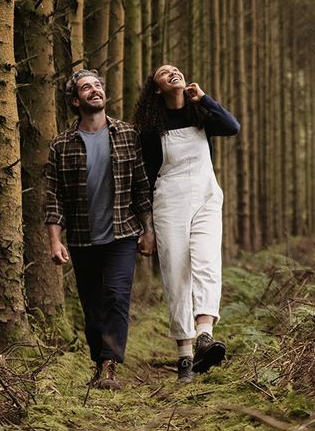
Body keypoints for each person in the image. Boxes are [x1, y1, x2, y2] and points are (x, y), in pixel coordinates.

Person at [45, 69, 155, 391]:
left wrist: (148, 230)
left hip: (122, 233)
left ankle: (110, 366)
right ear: (75, 100)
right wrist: (55, 241)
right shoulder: (61, 146)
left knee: (117, 297)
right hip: (82, 237)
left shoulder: (126, 134)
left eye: (97, 86)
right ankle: (98, 360)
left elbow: (140, 187)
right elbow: (53, 198)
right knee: (91, 306)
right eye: (86, 88)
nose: (94, 90)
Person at [133, 64, 240, 383]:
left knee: (208, 263)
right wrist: (147, 228)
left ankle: (205, 336)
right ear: (157, 89)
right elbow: (145, 180)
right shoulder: (151, 129)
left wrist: (204, 98)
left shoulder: (200, 114)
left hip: (207, 194)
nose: (172, 73)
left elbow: (232, 126)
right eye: (164, 73)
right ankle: (184, 355)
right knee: (176, 272)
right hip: (170, 198)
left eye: (175, 69)